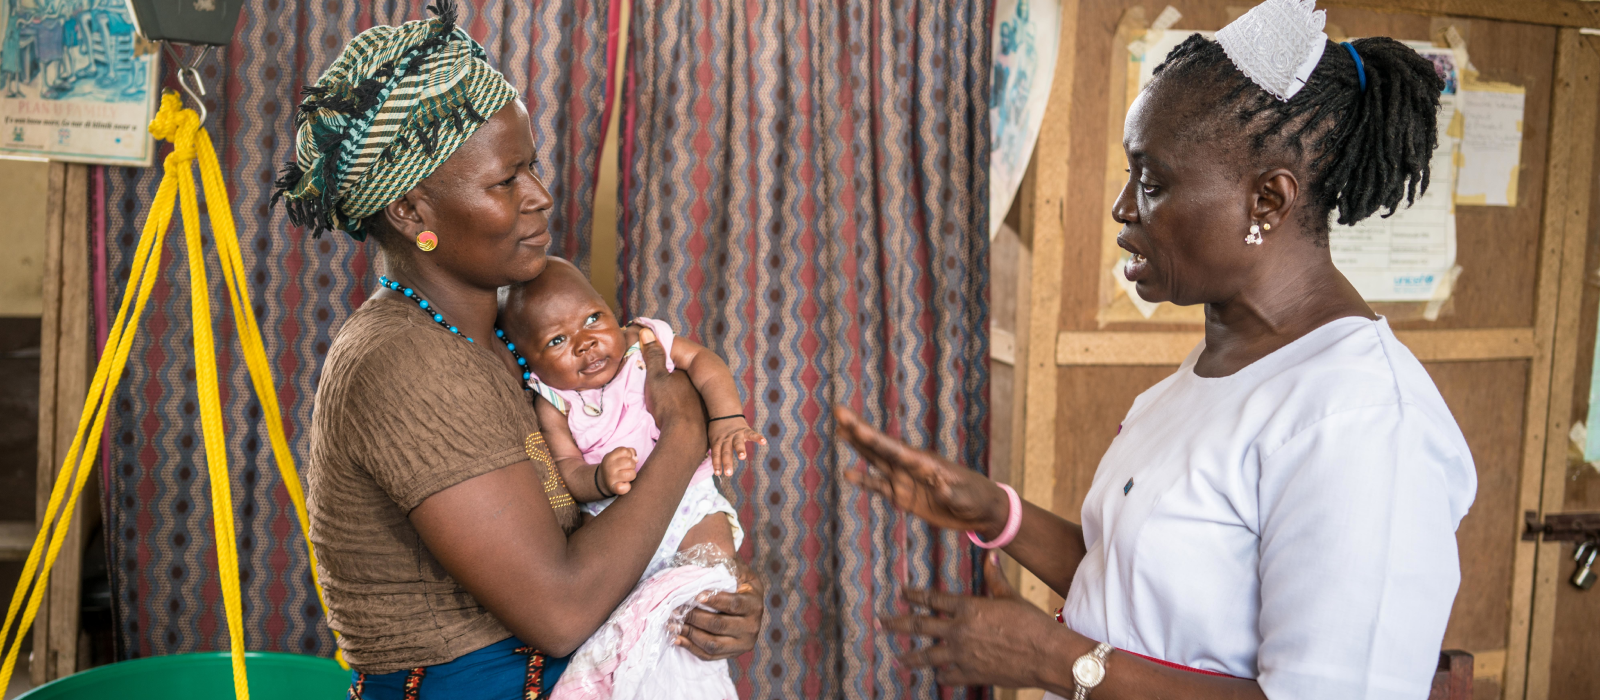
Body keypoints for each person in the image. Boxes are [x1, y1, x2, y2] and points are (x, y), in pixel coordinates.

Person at [836, 2, 1477, 699]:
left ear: (1267, 200)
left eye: (1152, 181)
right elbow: (1142, 582)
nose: (1122, 207)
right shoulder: (1201, 380)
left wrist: (1053, 659)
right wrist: (1000, 516)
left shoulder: (1361, 420)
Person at [278, 4, 763, 698]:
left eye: (531, 168)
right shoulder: (400, 363)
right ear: (412, 212)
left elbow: (638, 520)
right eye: (506, 182)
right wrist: (685, 428)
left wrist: (720, 588)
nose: (540, 197)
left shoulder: (524, 344)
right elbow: (561, 610)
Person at [499, 257, 764, 580]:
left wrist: (727, 418)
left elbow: (702, 361)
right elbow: (567, 467)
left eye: (593, 318)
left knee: (713, 568)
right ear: (529, 361)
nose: (586, 343)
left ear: (609, 309)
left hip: (687, 499)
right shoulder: (554, 402)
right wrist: (599, 478)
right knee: (606, 589)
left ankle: (693, 611)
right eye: (557, 340)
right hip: (613, 517)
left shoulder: (641, 341)